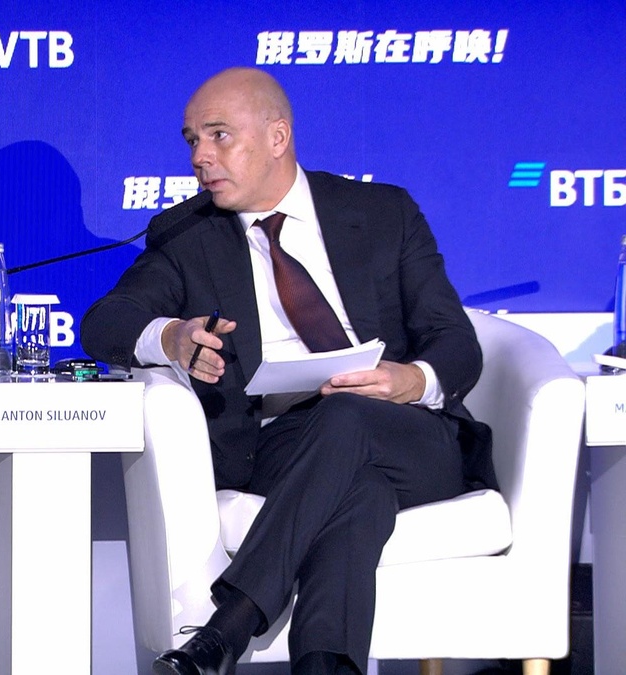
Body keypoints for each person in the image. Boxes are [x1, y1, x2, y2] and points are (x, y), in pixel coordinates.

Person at [81, 67, 496, 675]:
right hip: (284, 448)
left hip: (409, 438)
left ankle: (227, 628)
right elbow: (105, 322)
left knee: (349, 416)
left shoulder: (382, 212)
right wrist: (170, 336)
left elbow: (455, 340)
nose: (200, 156)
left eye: (219, 135)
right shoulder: (188, 235)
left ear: (277, 137)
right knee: (360, 496)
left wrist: (414, 380)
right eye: (192, 140)